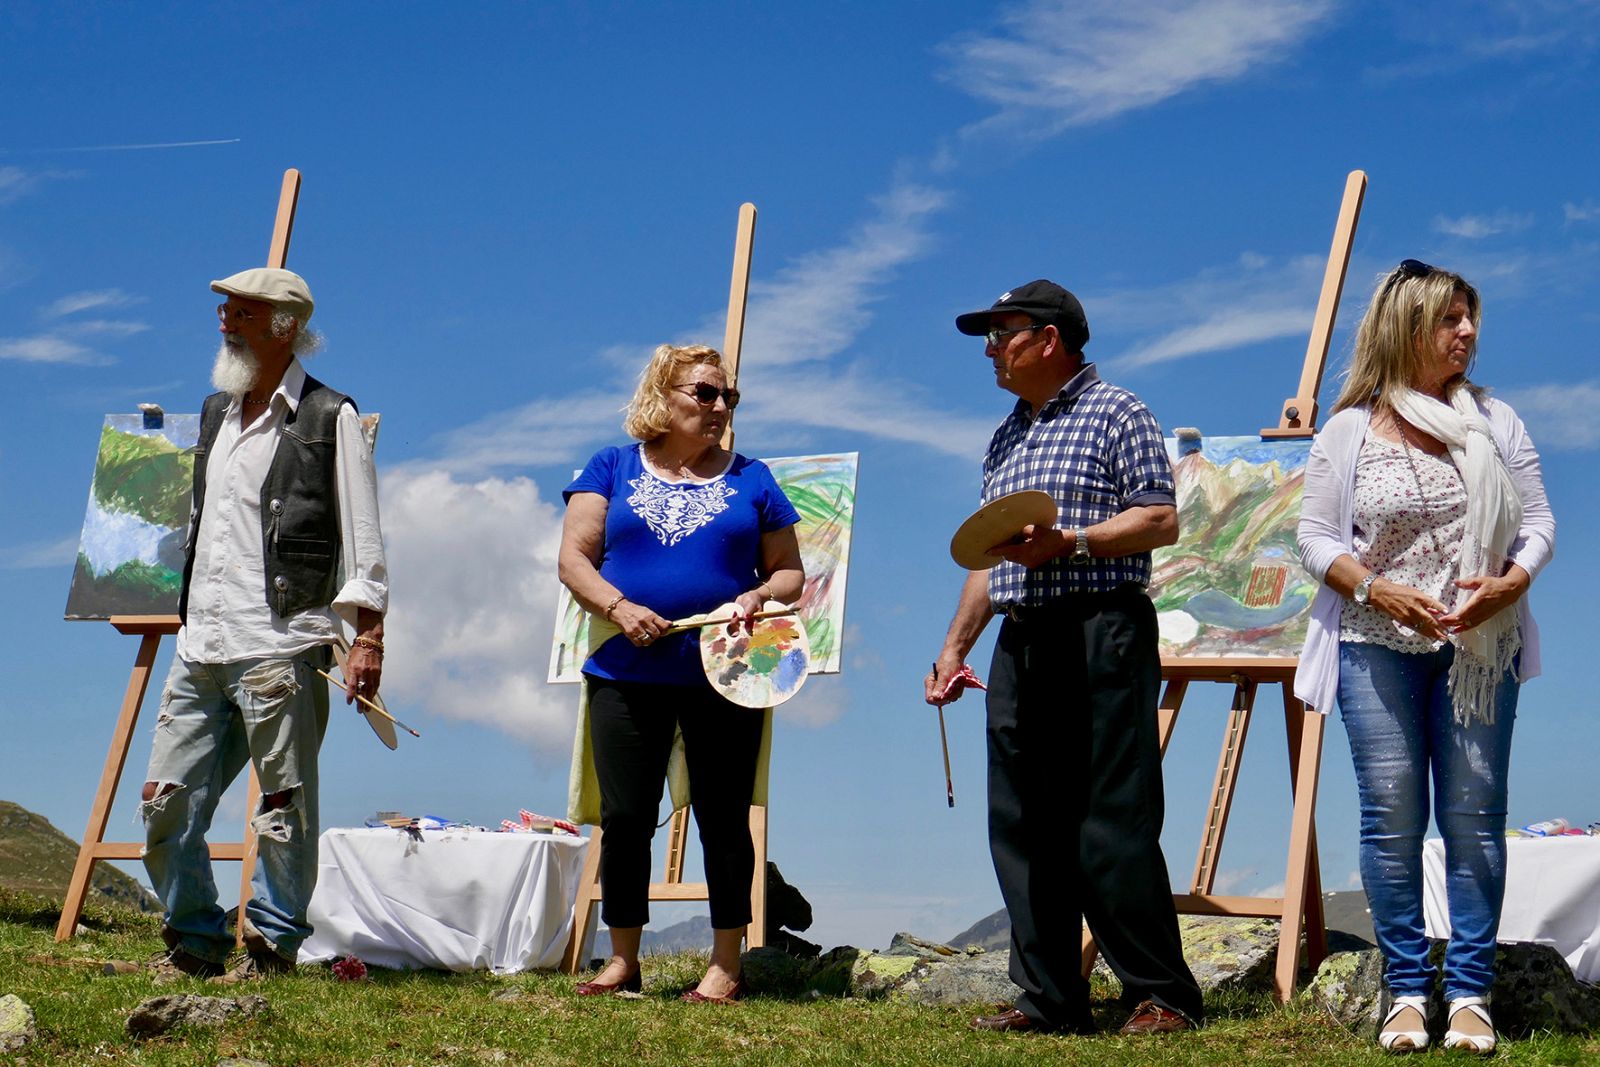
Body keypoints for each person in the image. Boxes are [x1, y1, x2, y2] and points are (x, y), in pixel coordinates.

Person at [925, 280, 1203, 1036]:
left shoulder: (1119, 411)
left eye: (1001, 333)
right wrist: (955, 647)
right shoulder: (1006, 435)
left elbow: (1160, 517)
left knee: (1109, 814)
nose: (990, 349)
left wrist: (1072, 541)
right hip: (1022, 636)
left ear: (1049, 338)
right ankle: (1049, 996)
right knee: (1022, 819)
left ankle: (1160, 992)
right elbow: (988, 560)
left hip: (1100, 624)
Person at [1296, 260, 1554, 1054]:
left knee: (1476, 820)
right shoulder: (1348, 431)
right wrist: (1377, 589)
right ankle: (1407, 989)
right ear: (1407, 327)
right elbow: (1313, 540)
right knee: (1392, 818)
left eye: (1471, 318)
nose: (1468, 333)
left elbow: (1539, 524)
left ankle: (1470, 991)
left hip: (1481, 649)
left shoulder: (1496, 423)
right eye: (1451, 319)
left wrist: (1510, 583)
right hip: (1377, 646)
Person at [140, 267, 388, 983]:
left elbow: (363, 538)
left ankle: (275, 941)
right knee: (164, 802)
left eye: (240, 312)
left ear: (284, 327)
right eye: (223, 308)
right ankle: (195, 937)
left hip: (281, 645)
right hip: (202, 646)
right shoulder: (216, 412)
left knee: (283, 809)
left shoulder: (328, 415)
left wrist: (367, 635)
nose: (223, 320)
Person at [558, 343, 804, 1003]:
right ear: (661, 397)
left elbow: (790, 572)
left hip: (725, 674)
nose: (721, 407)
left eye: (729, 397)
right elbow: (574, 559)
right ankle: (623, 959)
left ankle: (727, 964)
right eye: (706, 393)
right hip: (623, 668)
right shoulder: (609, 465)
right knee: (627, 813)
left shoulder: (753, 478)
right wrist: (619, 605)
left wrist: (757, 596)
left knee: (724, 817)